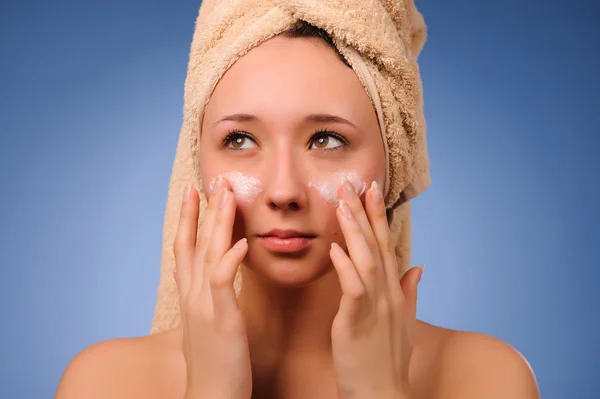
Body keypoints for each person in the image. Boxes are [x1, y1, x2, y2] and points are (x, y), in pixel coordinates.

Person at [55, 7, 541, 399]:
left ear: (393, 161)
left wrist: (379, 393)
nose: (283, 191)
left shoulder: (486, 380)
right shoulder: (103, 384)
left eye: (326, 140)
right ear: (197, 163)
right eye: (241, 139)